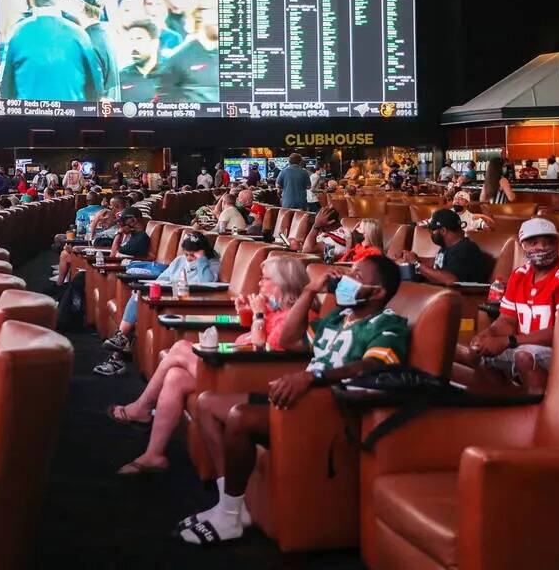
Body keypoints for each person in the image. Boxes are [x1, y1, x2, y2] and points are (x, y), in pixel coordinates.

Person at [181, 256, 408, 544]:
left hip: (329, 409)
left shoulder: (388, 324)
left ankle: (228, 516)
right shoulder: (337, 318)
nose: (346, 279)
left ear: (377, 292)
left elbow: (374, 366)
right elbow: (289, 339)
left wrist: (312, 377)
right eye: (348, 272)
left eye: (357, 276)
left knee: (239, 416)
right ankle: (231, 507)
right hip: (301, 400)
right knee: (207, 404)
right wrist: (310, 291)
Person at [108, 255, 310, 473]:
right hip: (233, 367)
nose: (259, 283)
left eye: (265, 279)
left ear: (283, 283)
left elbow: (263, 346)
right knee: (176, 376)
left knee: (181, 349)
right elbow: (251, 334)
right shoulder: (273, 309)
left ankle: (142, 407)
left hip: (245, 377)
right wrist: (247, 311)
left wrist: (259, 313)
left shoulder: (293, 319)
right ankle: (153, 455)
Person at [460, 218, 559, 393]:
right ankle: (505, 403)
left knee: (524, 356)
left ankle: (539, 411)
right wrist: (489, 334)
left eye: (549, 241)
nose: (541, 247)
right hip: (521, 344)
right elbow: (507, 320)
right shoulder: (519, 275)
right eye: (533, 242)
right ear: (522, 245)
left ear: (557, 243)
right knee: (479, 351)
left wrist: (507, 341)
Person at [94, 230, 220, 378]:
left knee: (140, 301)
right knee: (138, 295)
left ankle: (117, 354)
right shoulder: (180, 261)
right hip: (165, 297)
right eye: (186, 254)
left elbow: (207, 283)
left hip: (184, 304)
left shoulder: (211, 265)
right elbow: (162, 278)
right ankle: (120, 340)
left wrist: (201, 261)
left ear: (204, 252)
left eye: (193, 254)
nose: (189, 258)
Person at [0, 0, 103, 102]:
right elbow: (96, 93)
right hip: (74, 121)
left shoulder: (17, 34)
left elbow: (6, 93)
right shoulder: (80, 35)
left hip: (26, 121)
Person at [63, 0, 119, 99]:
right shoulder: (103, 37)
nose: (65, 5)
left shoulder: (87, 43)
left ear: (80, 5)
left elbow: (93, 99)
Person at [401, 209, 492, 284]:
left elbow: (450, 280)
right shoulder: (449, 247)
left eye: (432, 230)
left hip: (459, 299)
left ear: (443, 231)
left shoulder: (465, 249)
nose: (431, 233)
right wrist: (415, 258)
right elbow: (440, 263)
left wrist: (417, 264)